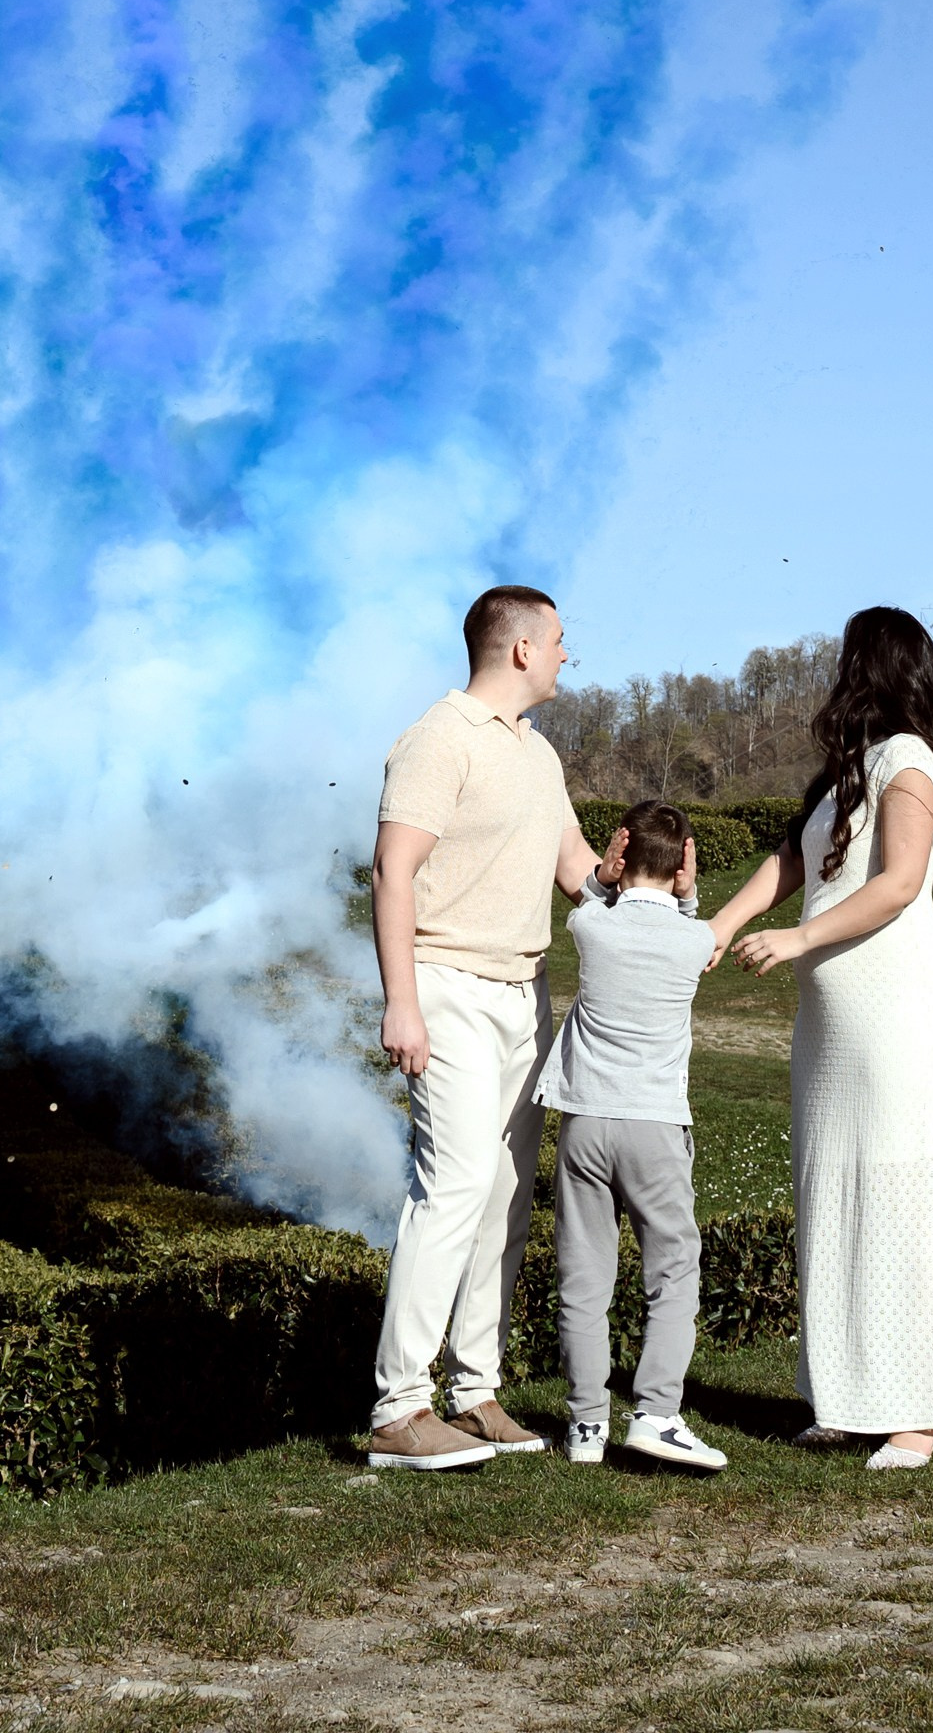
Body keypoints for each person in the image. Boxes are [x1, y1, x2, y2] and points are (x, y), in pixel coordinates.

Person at [707, 605, 933, 1469]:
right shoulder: (846, 771)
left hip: (893, 1008)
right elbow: (791, 861)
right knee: (830, 1188)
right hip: (834, 1017)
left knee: (894, 1188)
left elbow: (898, 884)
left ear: (873, 664)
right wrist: (722, 926)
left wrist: (797, 939)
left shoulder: (909, 760)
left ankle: (916, 1414)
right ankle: (845, 1397)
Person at [366, 583, 602, 1472]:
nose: (566, 655)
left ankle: (474, 1392)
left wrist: (645, 896)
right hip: (447, 986)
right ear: (520, 651)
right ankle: (398, 1409)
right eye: (559, 641)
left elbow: (574, 868)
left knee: (503, 1196)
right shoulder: (437, 739)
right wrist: (402, 1001)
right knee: (454, 1186)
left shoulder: (537, 755)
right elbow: (393, 871)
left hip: (524, 993)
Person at [537, 798, 728, 1473]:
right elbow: (690, 917)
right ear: (680, 865)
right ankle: (655, 1413)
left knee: (584, 1278)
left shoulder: (592, 925)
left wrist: (603, 876)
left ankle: (587, 1425)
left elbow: (589, 897)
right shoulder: (695, 938)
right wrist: (690, 889)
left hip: (585, 1120)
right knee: (672, 1273)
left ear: (621, 852)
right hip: (654, 1124)